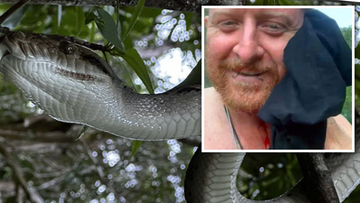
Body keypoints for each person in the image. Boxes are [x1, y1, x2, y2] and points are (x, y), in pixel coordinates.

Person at [203, 8, 352, 150]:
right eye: (228, 23)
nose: (246, 53)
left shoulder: (344, 133)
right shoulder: (188, 117)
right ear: (207, 27)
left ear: (307, 38)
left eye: (274, 26)